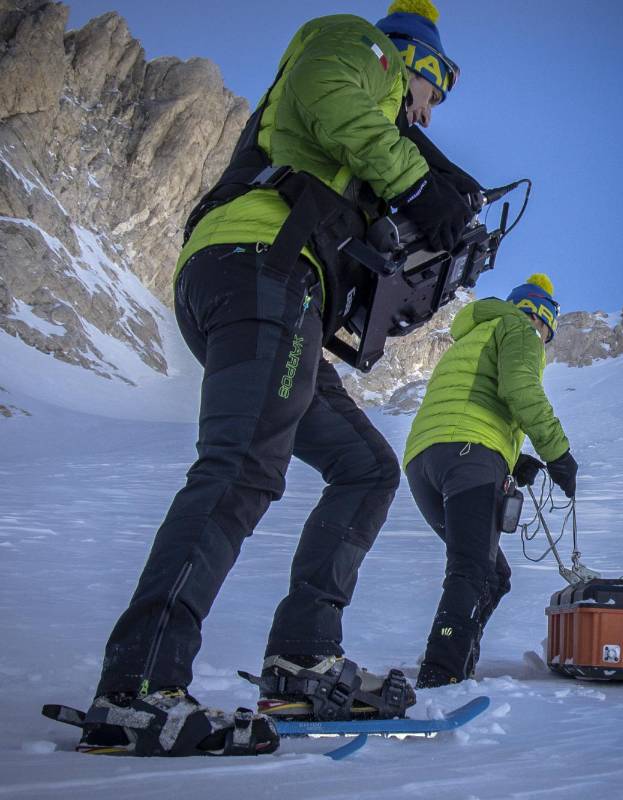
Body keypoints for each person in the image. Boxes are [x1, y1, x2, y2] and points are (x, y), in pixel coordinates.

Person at [78, 1, 476, 756]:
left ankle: (301, 662)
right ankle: (137, 687)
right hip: (258, 266)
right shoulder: (360, 46)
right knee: (241, 469)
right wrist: (419, 186)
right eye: (439, 90)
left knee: (366, 468)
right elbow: (330, 97)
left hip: (277, 292)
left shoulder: (377, 117)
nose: (431, 111)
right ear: (420, 62)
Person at [403, 273, 577, 688]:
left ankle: (457, 656)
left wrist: (515, 461)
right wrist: (558, 454)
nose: (544, 336)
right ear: (541, 317)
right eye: (546, 327)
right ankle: (441, 672)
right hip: (469, 453)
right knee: (474, 569)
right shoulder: (520, 328)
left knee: (493, 573)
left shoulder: (474, 335)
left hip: (424, 459)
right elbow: (519, 388)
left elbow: (472, 400)